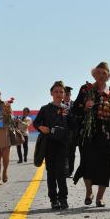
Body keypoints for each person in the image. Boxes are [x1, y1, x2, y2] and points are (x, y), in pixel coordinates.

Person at [72, 62, 110, 207]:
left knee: (105, 166)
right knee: (87, 163)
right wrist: (85, 106)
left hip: (107, 136)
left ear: (108, 76)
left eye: (104, 73)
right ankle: (89, 191)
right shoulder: (86, 89)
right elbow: (75, 109)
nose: (101, 76)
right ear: (94, 74)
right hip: (88, 134)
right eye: (98, 73)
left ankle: (100, 197)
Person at [33, 81, 73, 210]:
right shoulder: (45, 109)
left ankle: (63, 199)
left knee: (61, 172)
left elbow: (73, 126)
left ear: (64, 94)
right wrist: (41, 127)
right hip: (49, 144)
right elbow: (36, 123)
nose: (58, 94)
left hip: (62, 145)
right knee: (51, 172)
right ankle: (53, 199)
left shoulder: (67, 109)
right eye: (56, 91)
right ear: (51, 93)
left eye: (61, 92)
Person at [63, 86, 77, 177]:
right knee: (64, 153)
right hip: (63, 133)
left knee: (72, 153)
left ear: (70, 95)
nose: (67, 96)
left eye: (68, 94)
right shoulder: (59, 104)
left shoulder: (75, 104)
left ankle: (70, 170)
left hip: (73, 133)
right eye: (65, 94)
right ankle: (64, 170)